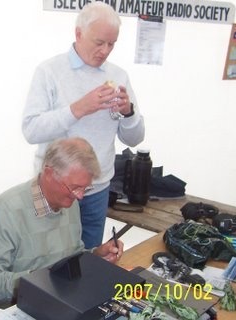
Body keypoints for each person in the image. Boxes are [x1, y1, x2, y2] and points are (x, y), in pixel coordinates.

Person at [22, 2, 145, 249]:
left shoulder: (118, 76)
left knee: (87, 262)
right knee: (47, 261)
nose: (105, 51)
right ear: (78, 33)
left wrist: (128, 113)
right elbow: (31, 130)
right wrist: (77, 109)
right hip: (55, 187)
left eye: (111, 44)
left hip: (97, 189)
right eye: (99, 42)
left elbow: (135, 139)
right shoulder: (49, 71)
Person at [0, 137, 123, 308]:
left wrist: (95, 256)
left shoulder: (69, 203)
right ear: (49, 174)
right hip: (13, 307)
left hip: (59, 300)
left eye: (85, 188)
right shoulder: (5, 213)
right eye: (75, 187)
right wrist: (39, 280)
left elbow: (71, 257)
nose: (80, 196)